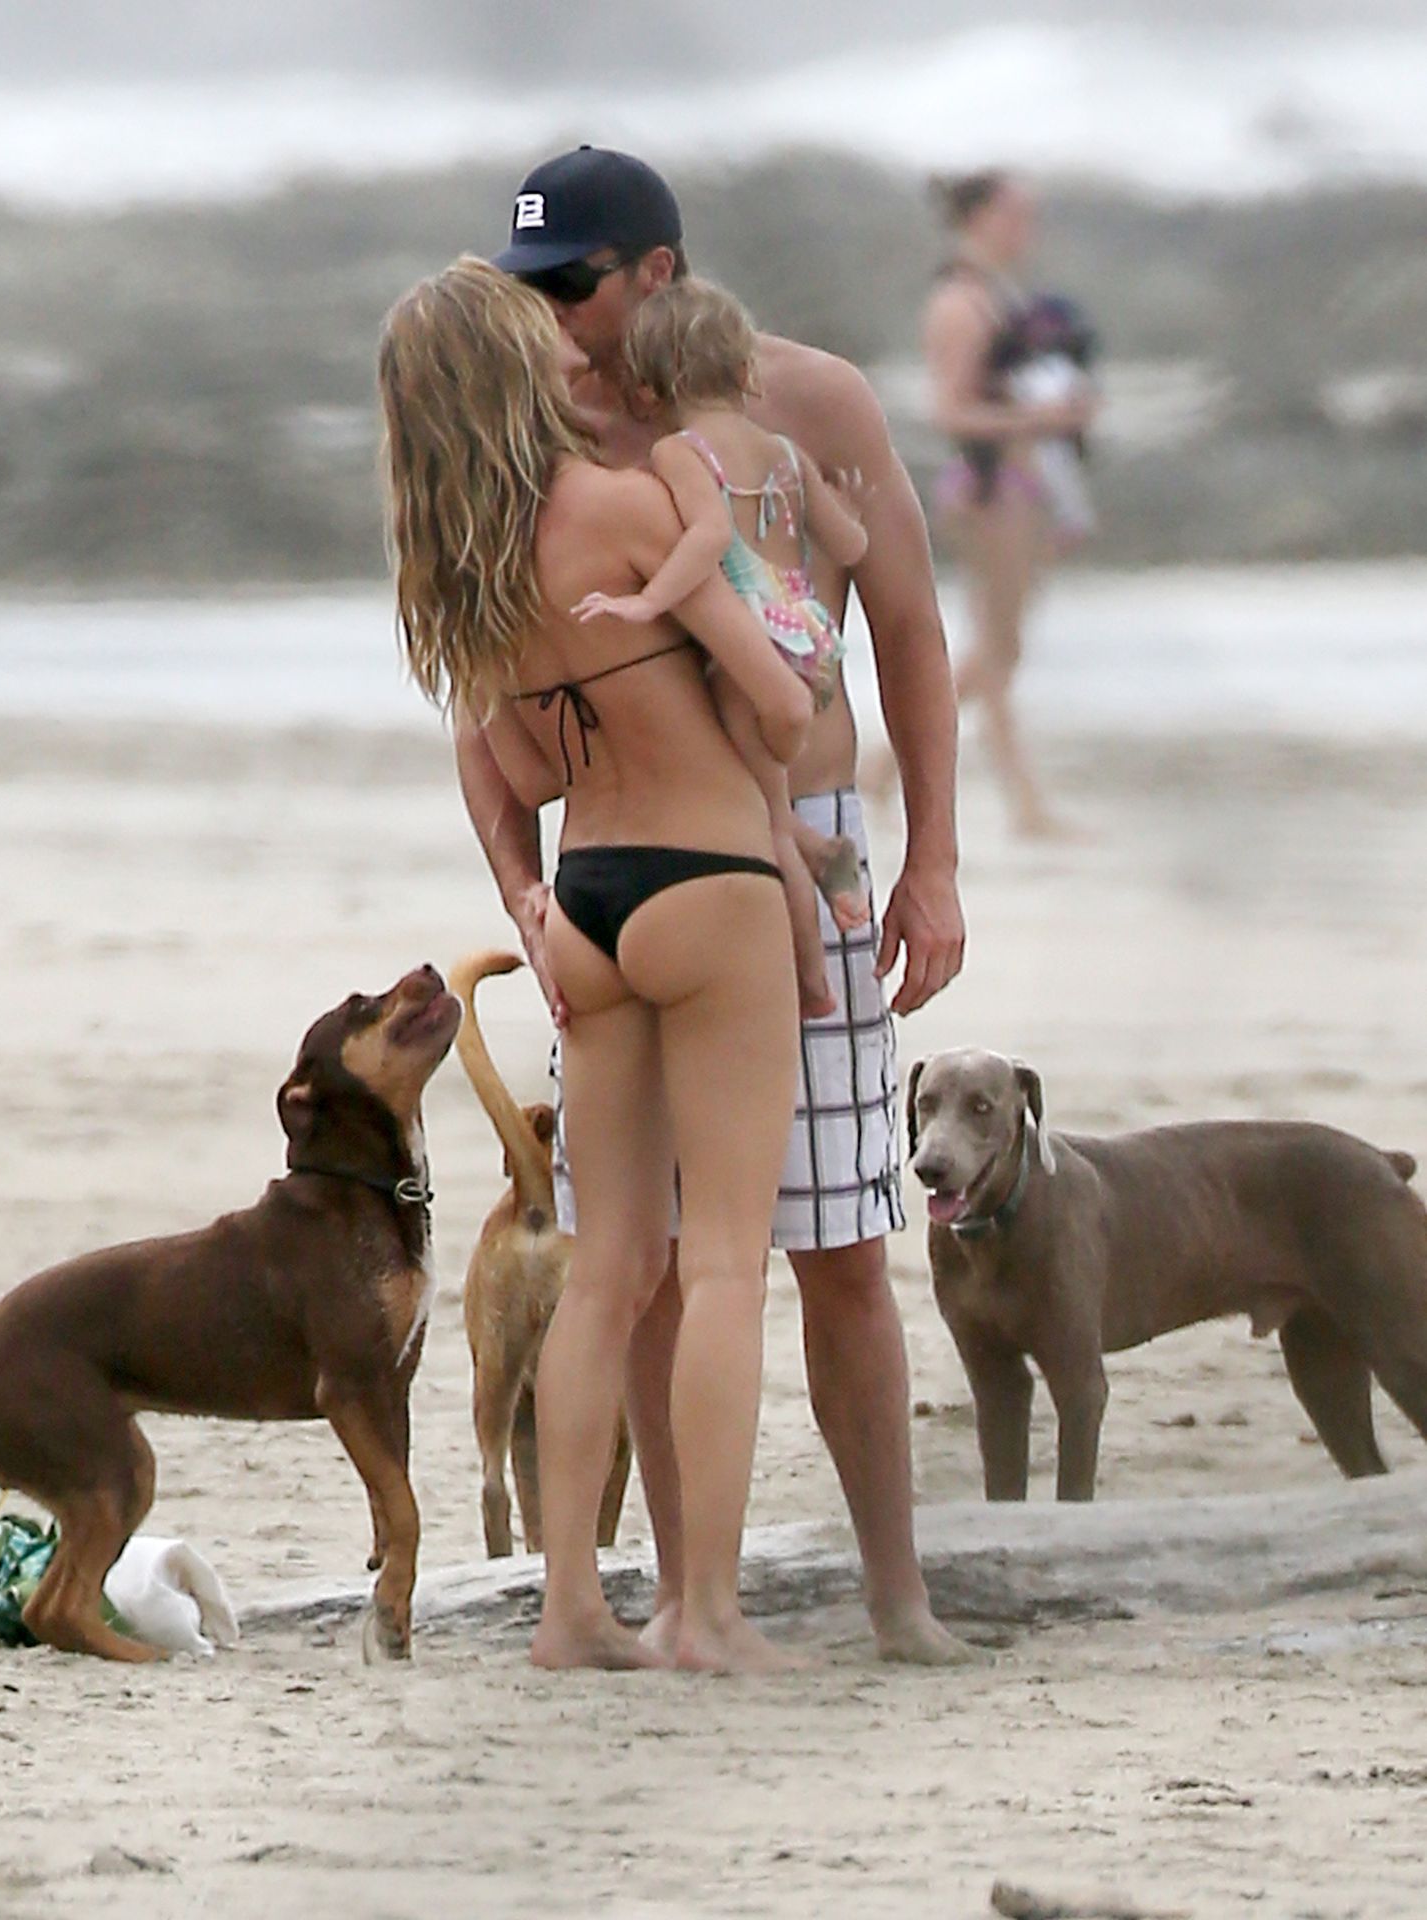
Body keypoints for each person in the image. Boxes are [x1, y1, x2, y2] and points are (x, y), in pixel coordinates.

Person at [458, 146, 974, 1665]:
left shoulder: (811, 403)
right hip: (627, 862)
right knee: (640, 1262)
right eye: (530, 290)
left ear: (658, 273)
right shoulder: (533, 423)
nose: (555, 318)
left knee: (841, 1248)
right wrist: (517, 888)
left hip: (809, 847)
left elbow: (908, 630)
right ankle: (689, 1597)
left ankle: (895, 1596)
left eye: (575, 285)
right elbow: (476, 696)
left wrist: (932, 860)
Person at [380, 256, 817, 1673]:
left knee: (609, 1267)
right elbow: (780, 710)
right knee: (727, 1264)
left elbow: (521, 769)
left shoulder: (458, 579)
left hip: (587, 903)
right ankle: (707, 1613)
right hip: (709, 881)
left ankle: (570, 1606)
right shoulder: (625, 509)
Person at [573, 275, 873, 1020]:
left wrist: (647, 600)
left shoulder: (681, 452)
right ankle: (824, 852)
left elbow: (708, 538)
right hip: (812, 640)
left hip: (752, 655)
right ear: (746, 371)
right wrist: (847, 504)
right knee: (771, 796)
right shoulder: (784, 452)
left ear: (647, 389)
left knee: (763, 817)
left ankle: (812, 981)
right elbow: (850, 545)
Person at [922, 169, 1099, 840]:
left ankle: (889, 770)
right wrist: (1041, 419)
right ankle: (1024, 804)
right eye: (1015, 214)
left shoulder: (1001, 294)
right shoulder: (961, 302)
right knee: (997, 650)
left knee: (1002, 648)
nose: (1028, 228)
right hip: (990, 485)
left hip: (1024, 487)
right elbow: (950, 410)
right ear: (980, 217)